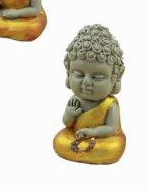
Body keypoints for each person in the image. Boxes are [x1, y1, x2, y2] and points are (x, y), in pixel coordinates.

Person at [53, 25, 126, 164]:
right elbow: (67, 124)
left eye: (97, 77)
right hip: (77, 136)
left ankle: (86, 152)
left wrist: (92, 133)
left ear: (115, 79)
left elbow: (111, 129)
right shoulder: (75, 100)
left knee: (112, 148)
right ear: (68, 73)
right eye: (79, 74)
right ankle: (85, 151)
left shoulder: (110, 105)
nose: (86, 82)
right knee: (60, 141)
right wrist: (69, 114)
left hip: (103, 139)